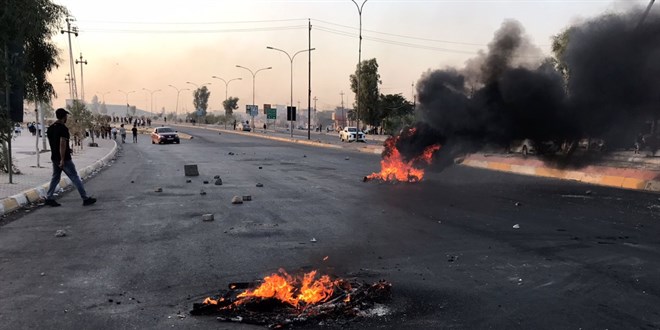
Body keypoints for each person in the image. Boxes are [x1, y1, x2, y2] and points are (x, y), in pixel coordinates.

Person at [44, 108, 96, 207]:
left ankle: (49, 197)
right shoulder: (63, 129)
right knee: (75, 177)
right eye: (66, 116)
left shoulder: (50, 128)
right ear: (64, 117)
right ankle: (85, 198)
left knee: (55, 177)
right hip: (64, 159)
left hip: (54, 157)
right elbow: (62, 143)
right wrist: (63, 159)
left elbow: (53, 143)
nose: (67, 118)